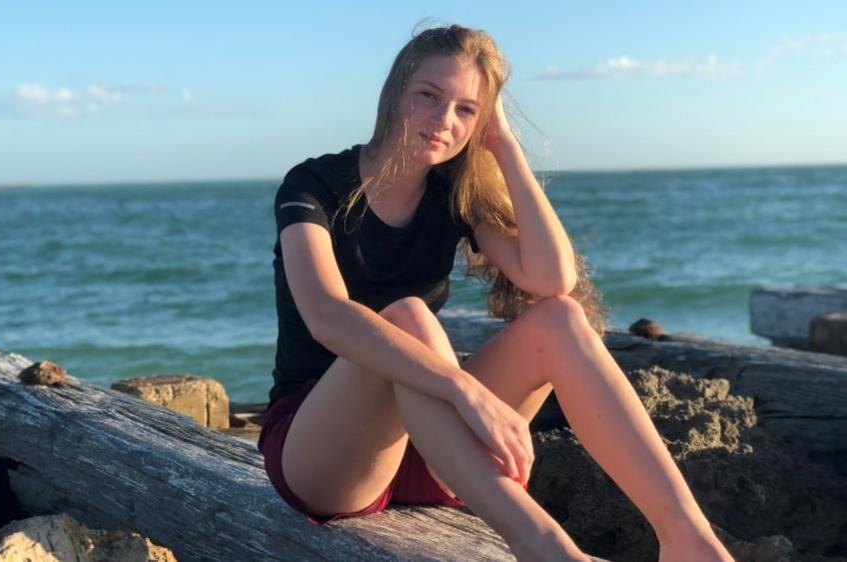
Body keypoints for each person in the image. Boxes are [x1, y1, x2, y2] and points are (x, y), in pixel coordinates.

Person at [257, 23, 734, 561]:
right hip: (326, 458)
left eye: (466, 109)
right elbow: (326, 315)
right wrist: (466, 391)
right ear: (395, 93)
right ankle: (544, 545)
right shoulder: (314, 184)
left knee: (560, 318)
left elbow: (552, 278)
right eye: (429, 97)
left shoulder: (452, 192)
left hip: (438, 450)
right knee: (408, 317)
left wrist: (504, 145)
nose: (444, 121)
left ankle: (688, 540)